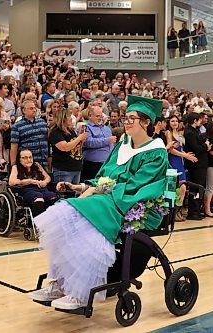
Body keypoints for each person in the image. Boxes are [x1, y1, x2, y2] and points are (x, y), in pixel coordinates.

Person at [28, 95, 168, 310]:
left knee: (85, 220)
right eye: (126, 118)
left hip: (134, 206)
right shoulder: (123, 146)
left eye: (132, 118)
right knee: (68, 218)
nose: (127, 122)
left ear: (147, 122)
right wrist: (84, 187)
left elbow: (136, 186)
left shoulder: (156, 152)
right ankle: (62, 282)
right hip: (109, 199)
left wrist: (97, 190)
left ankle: (80, 291)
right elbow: (104, 175)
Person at [8, 148, 57, 217]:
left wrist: (45, 182)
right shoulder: (16, 167)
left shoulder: (36, 165)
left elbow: (48, 177)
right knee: (38, 198)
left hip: (42, 188)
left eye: (30, 157)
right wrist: (29, 181)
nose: (28, 160)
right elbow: (11, 182)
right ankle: (38, 223)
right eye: (25, 158)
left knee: (52, 196)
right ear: (19, 159)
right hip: (27, 190)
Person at [48, 108, 87, 183]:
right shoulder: (55, 132)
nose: (71, 118)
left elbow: (76, 146)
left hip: (76, 167)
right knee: (64, 193)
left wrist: (82, 139)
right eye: (69, 116)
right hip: (63, 169)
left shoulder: (70, 130)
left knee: (75, 193)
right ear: (63, 118)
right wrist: (79, 138)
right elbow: (65, 147)